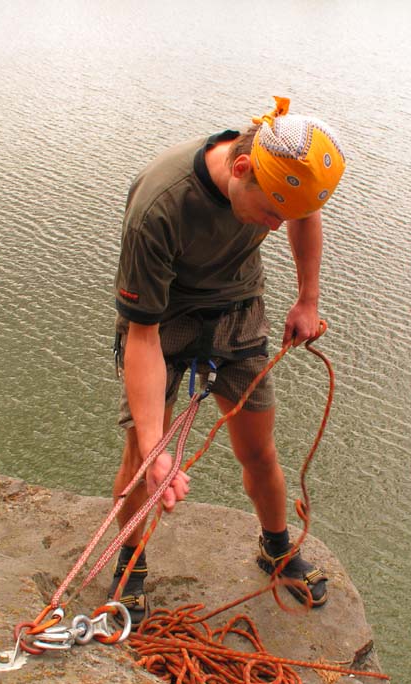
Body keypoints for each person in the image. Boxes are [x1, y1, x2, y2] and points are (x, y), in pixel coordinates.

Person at [109, 96, 346, 625]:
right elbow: (142, 335)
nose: (276, 226)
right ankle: (130, 563)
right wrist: (155, 447)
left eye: (284, 216)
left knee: (259, 449)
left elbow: (303, 214)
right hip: (162, 317)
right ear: (241, 169)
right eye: (269, 214)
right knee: (141, 459)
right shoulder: (160, 206)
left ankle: (276, 547)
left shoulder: (284, 173)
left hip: (238, 309)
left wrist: (308, 298)